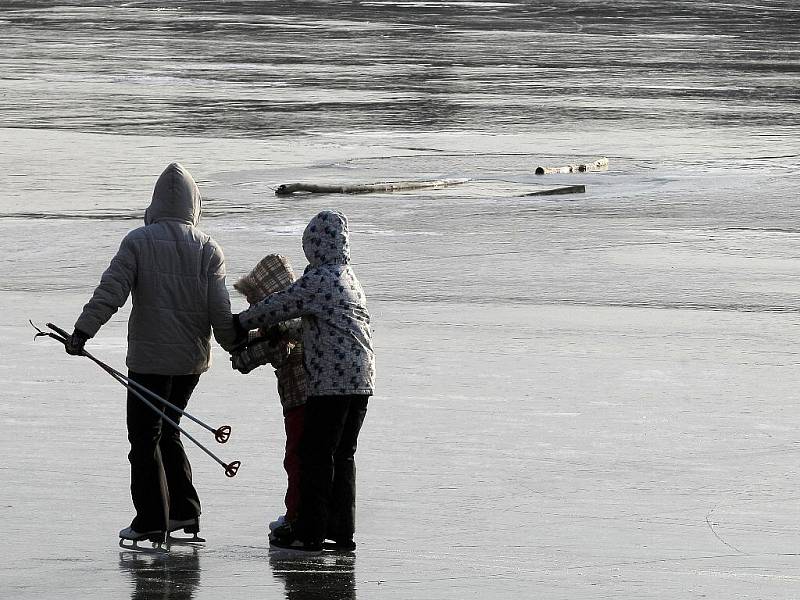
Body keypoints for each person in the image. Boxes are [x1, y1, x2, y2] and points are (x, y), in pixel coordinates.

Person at [64, 162, 239, 546]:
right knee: (169, 431)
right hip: (190, 363)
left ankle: (151, 521)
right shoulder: (209, 248)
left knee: (145, 440)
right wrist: (235, 347)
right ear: (195, 204)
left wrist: (82, 332)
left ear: (156, 203)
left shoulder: (139, 241)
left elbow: (111, 291)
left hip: (149, 362)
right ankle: (184, 511)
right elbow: (220, 310)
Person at [233, 210, 375, 553]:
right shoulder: (348, 277)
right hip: (362, 380)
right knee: (342, 456)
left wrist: (239, 322)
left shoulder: (319, 280)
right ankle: (341, 531)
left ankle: (309, 533)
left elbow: (281, 306)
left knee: (314, 455)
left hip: (330, 383)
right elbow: (303, 323)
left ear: (314, 246)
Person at [230, 253, 307, 532]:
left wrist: (240, 351)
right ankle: (305, 514)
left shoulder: (287, 324)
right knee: (303, 458)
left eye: (255, 302)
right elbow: (261, 341)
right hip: (301, 400)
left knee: (297, 458)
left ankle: (296, 516)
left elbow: (273, 349)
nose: (252, 308)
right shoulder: (290, 320)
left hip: (301, 400)